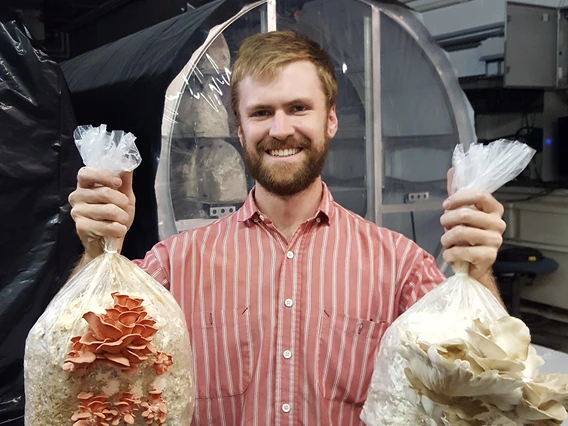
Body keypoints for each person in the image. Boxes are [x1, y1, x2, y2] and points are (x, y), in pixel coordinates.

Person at [68, 31, 506, 425]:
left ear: (329, 120)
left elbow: (480, 377)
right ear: (240, 131)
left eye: (298, 108)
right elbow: (85, 359)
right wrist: (95, 252)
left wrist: (478, 270)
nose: (281, 130)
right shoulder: (175, 264)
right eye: (261, 112)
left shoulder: (399, 265)